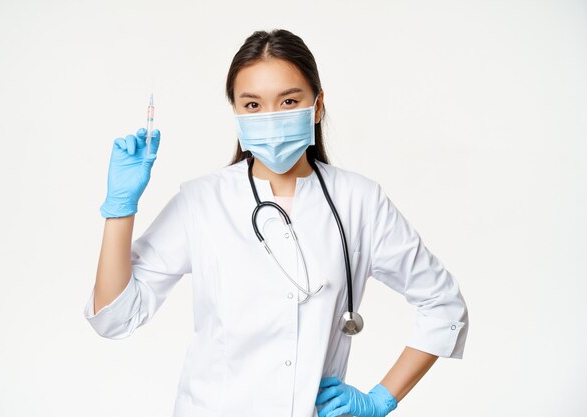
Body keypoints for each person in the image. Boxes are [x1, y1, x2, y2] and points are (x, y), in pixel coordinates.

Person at [84, 28, 469, 417]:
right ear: (235, 111)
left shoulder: (359, 202)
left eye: (288, 100)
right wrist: (120, 209)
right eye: (253, 105)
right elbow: (115, 317)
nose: (271, 117)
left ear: (317, 106)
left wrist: (380, 400)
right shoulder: (201, 201)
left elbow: (443, 305)